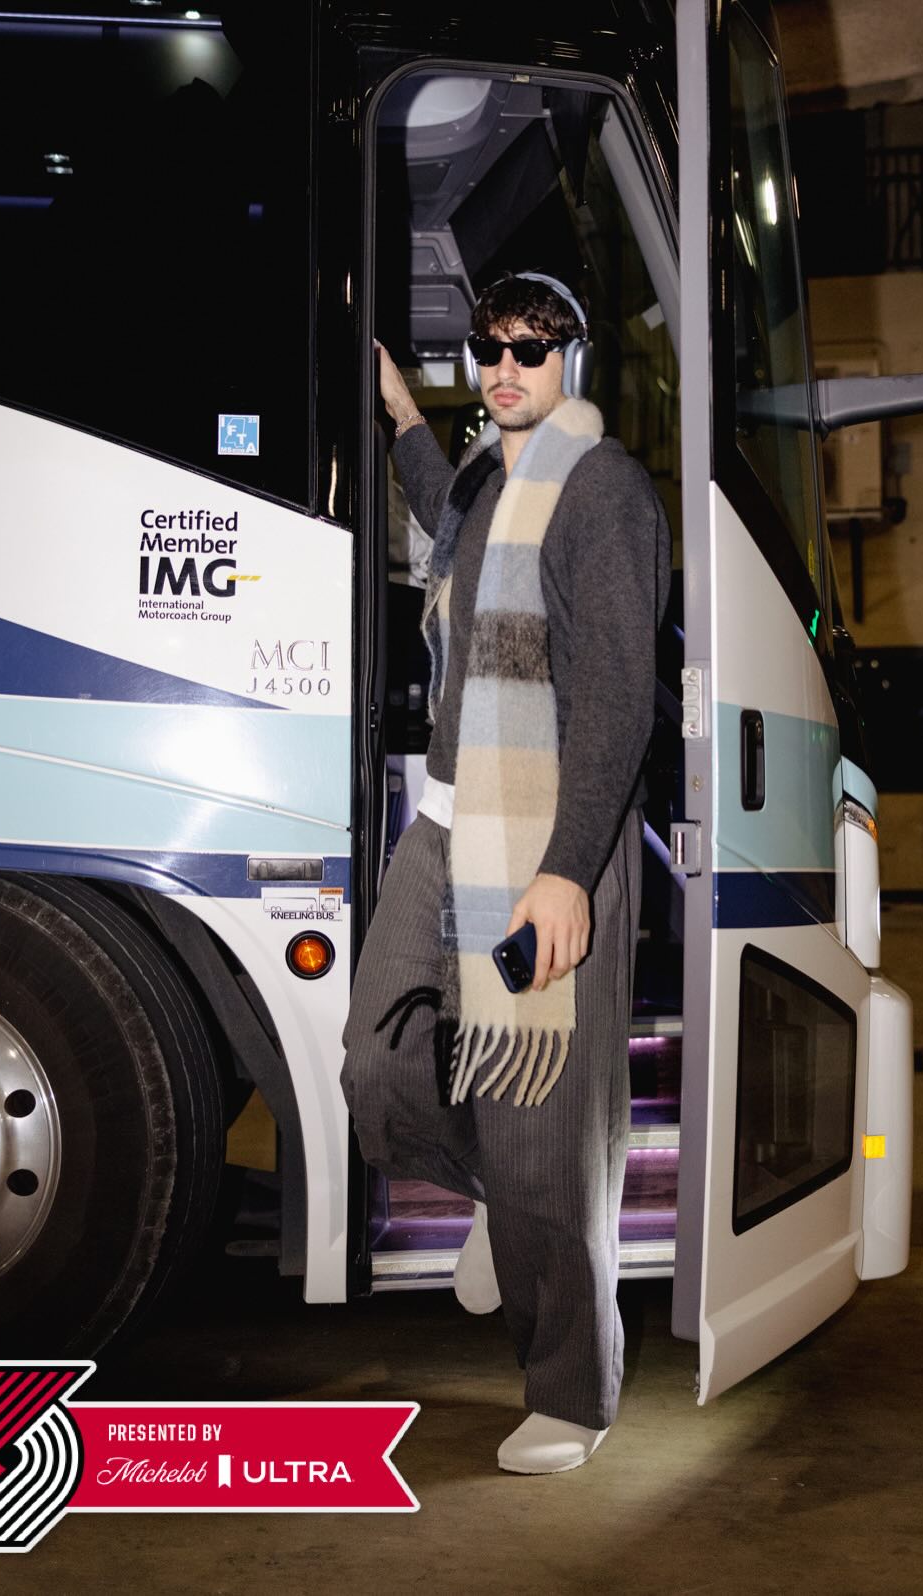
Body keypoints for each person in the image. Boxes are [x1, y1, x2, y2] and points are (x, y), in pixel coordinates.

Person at [341, 271, 670, 1474]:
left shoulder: (603, 489)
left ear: (573, 358)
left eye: (533, 346)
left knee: (547, 1136)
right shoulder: (487, 482)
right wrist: (401, 415)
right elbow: (442, 518)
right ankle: (497, 1200)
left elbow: (620, 697)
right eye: (490, 346)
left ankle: (570, 1393)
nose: (506, 366)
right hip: (445, 827)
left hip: (544, 839)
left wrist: (567, 871)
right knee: (375, 1064)